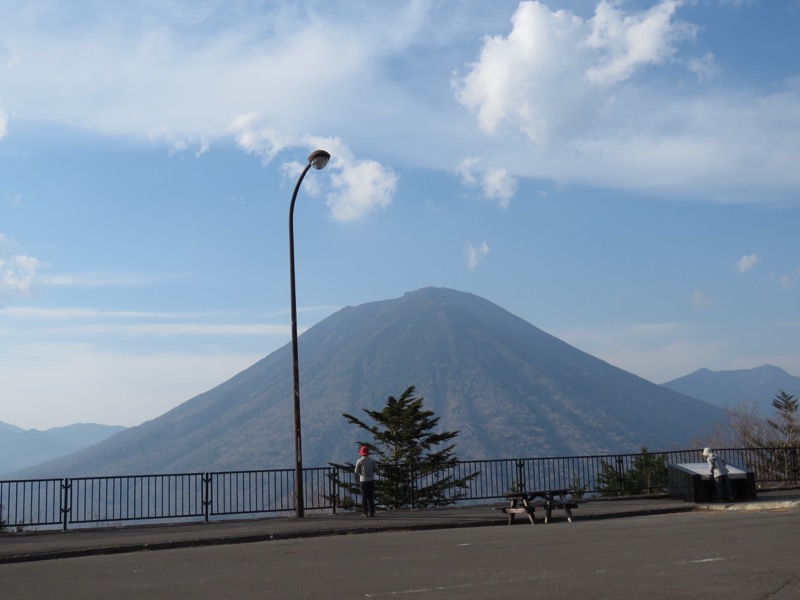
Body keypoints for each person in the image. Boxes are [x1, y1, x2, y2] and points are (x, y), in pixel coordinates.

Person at [354, 445, 378, 517]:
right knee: (370, 497)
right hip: (371, 480)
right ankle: (372, 512)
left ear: (361, 453)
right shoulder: (372, 461)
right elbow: (377, 469)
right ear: (368, 453)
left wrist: (361, 472)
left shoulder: (359, 461)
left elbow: (356, 471)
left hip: (363, 481)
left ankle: (364, 513)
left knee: (364, 497)